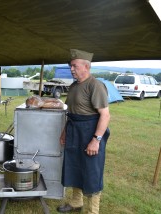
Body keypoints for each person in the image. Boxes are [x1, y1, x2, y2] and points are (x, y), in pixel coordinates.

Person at [57, 49, 110, 214]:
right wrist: (65, 132)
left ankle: (93, 211)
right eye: (70, 66)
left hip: (90, 132)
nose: (71, 69)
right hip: (74, 131)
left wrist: (96, 140)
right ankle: (76, 203)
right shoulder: (74, 86)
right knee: (75, 166)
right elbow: (71, 113)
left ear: (86, 66)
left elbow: (105, 115)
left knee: (91, 171)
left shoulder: (95, 85)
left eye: (74, 65)